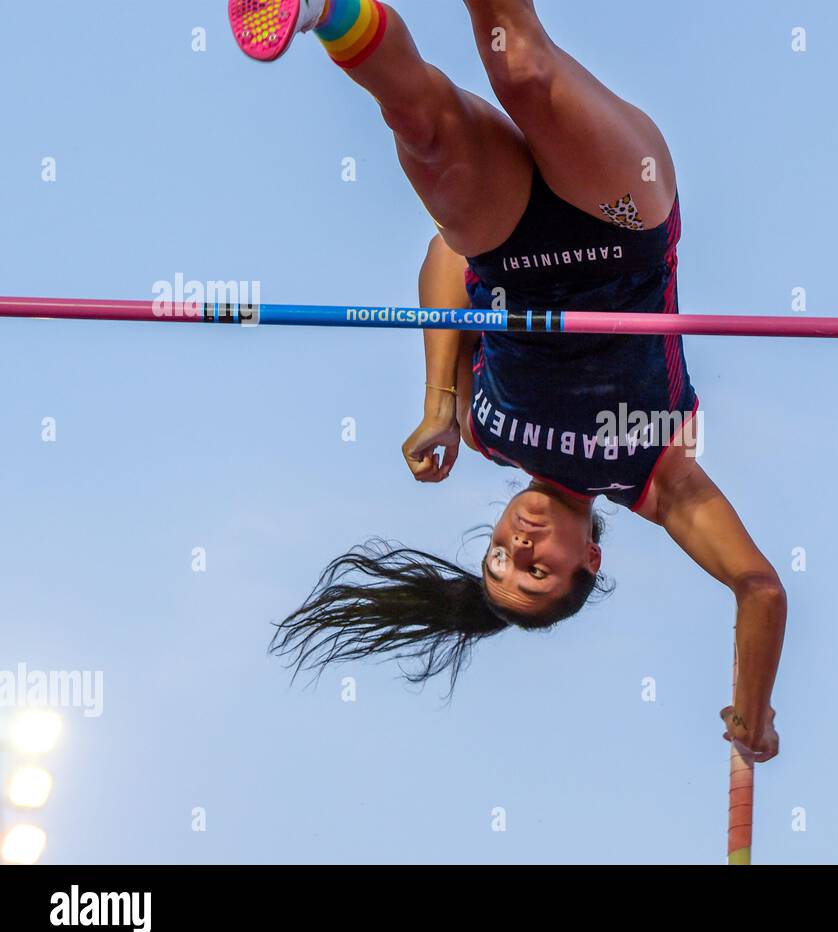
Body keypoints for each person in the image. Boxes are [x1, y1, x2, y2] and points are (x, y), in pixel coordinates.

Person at [231, 0, 783, 760]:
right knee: (520, 68)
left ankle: (320, 10)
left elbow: (447, 259)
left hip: (508, 246)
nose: (515, 547)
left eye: (496, 559)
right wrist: (754, 713)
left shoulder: (487, 429)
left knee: (420, 128)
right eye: (536, 571)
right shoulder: (652, 473)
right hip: (621, 228)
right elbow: (759, 588)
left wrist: (440, 405)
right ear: (589, 560)